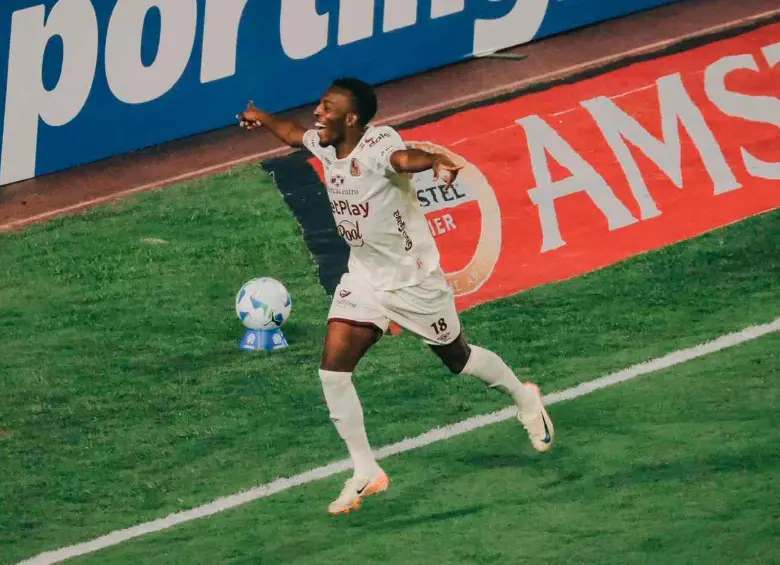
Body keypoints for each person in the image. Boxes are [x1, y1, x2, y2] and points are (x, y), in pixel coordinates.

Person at [237, 77, 554, 516]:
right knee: (333, 372)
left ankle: (525, 397)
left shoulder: (378, 145)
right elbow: (293, 134)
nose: (317, 113)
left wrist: (439, 161)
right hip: (365, 277)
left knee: (457, 360)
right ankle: (367, 469)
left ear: (351, 118)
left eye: (327, 108)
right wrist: (262, 117)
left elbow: (408, 159)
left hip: (414, 283)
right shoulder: (328, 145)